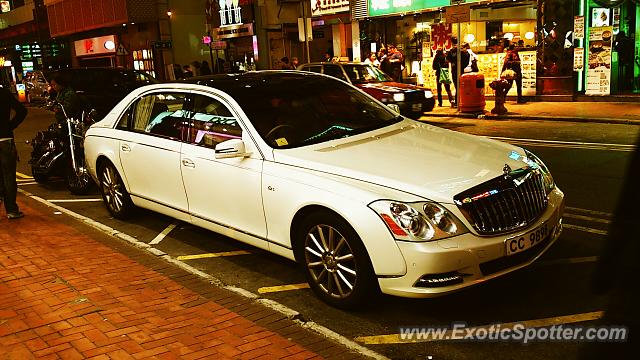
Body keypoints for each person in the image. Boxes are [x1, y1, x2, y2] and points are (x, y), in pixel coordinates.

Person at [0, 86, 28, 219]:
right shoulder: (4, 93)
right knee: (9, 176)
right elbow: (22, 110)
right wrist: (10, 125)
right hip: (5, 138)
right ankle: (11, 210)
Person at [445, 38, 470, 105]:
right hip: (459, 71)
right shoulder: (460, 51)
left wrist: (452, 63)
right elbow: (466, 61)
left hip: (455, 71)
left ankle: (458, 101)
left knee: (458, 86)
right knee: (459, 86)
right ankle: (459, 101)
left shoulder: (454, 51)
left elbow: (447, 60)